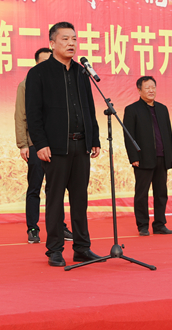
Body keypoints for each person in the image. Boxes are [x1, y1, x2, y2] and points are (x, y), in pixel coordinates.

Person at [25, 21, 102, 267]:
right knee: (55, 200)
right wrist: (40, 143)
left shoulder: (81, 72)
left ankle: (82, 248)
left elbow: (89, 108)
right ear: (52, 43)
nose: (71, 43)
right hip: (55, 148)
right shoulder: (39, 73)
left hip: (81, 145)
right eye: (65, 39)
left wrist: (94, 138)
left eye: (74, 39)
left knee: (80, 199)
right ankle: (55, 250)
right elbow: (33, 113)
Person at [15, 48, 73, 244]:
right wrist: (23, 144)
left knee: (56, 188)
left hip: (57, 144)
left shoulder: (60, 83)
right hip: (35, 144)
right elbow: (21, 116)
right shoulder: (26, 84)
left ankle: (59, 226)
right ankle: (33, 228)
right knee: (35, 187)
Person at [123, 76, 172, 236]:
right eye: (147, 88)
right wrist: (134, 157)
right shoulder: (132, 110)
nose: (151, 90)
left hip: (162, 157)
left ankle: (159, 224)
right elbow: (128, 136)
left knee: (161, 193)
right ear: (139, 90)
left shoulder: (162, 109)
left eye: (153, 87)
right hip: (143, 158)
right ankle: (142, 225)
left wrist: (169, 156)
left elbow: (168, 134)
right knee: (142, 194)